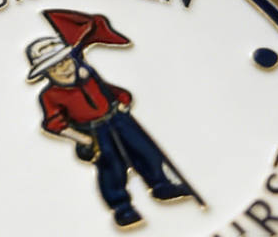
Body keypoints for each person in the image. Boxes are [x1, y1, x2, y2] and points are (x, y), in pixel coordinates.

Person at [26, 35, 192, 227]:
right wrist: (82, 139)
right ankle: (122, 208)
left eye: (65, 61)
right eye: (55, 68)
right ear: (47, 74)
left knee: (145, 152)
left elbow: (107, 90)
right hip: (95, 132)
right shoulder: (50, 95)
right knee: (111, 168)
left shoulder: (89, 76)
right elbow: (54, 123)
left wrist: (123, 99)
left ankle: (161, 185)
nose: (64, 69)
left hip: (118, 119)